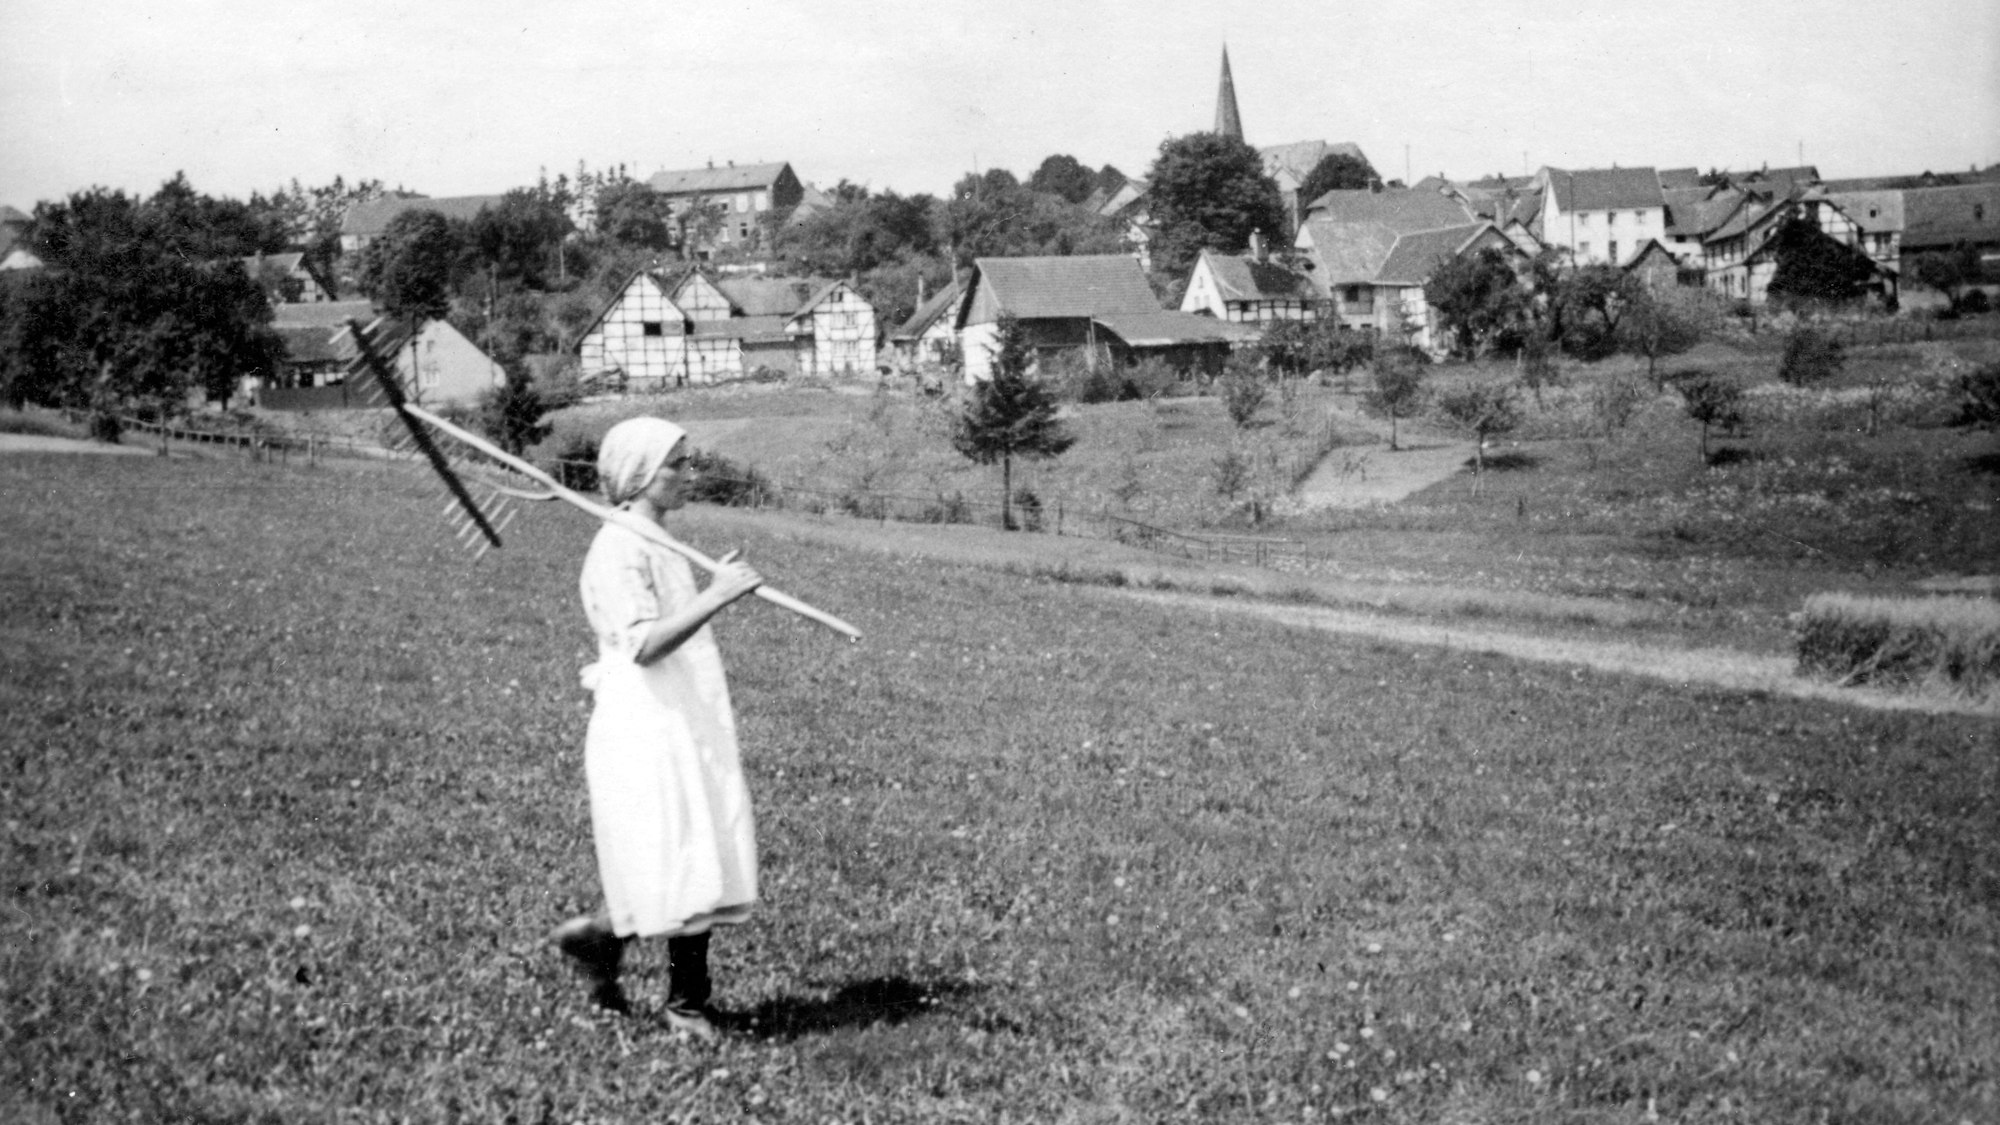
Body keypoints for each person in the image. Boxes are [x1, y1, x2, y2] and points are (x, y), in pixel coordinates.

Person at [551, 416, 764, 1036]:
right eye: (676, 463)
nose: (687, 473)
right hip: (645, 720)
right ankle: (685, 1003)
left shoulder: (654, 537)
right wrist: (716, 595)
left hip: (679, 711)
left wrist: (708, 586)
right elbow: (643, 644)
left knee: (688, 845)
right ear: (641, 474)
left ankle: (598, 939)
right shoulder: (619, 545)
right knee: (677, 848)